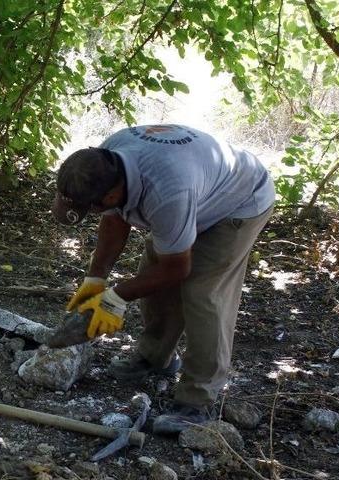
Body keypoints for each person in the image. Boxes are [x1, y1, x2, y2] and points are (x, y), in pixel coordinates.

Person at [51, 124, 275, 434]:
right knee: (152, 275)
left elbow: (177, 270)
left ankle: (197, 399)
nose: (93, 212)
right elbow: (114, 219)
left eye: (93, 206)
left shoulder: (168, 191)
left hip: (238, 204)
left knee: (202, 294)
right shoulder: (105, 160)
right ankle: (154, 357)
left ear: (113, 193)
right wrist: (96, 279)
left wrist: (115, 298)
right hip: (196, 193)